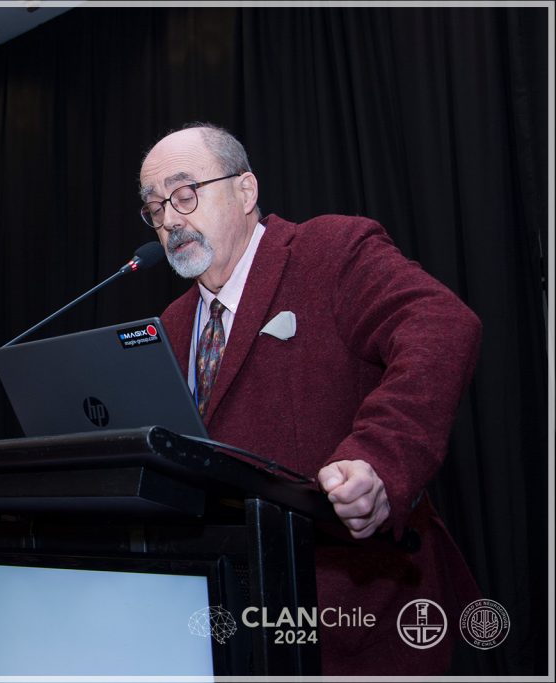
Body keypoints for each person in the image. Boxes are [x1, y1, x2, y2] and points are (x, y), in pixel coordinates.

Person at [139, 123, 481, 675]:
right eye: (155, 207)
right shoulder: (173, 324)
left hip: (358, 618)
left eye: (185, 193)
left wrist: (379, 460)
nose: (171, 220)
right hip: (232, 624)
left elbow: (441, 326)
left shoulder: (330, 251)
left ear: (245, 190)